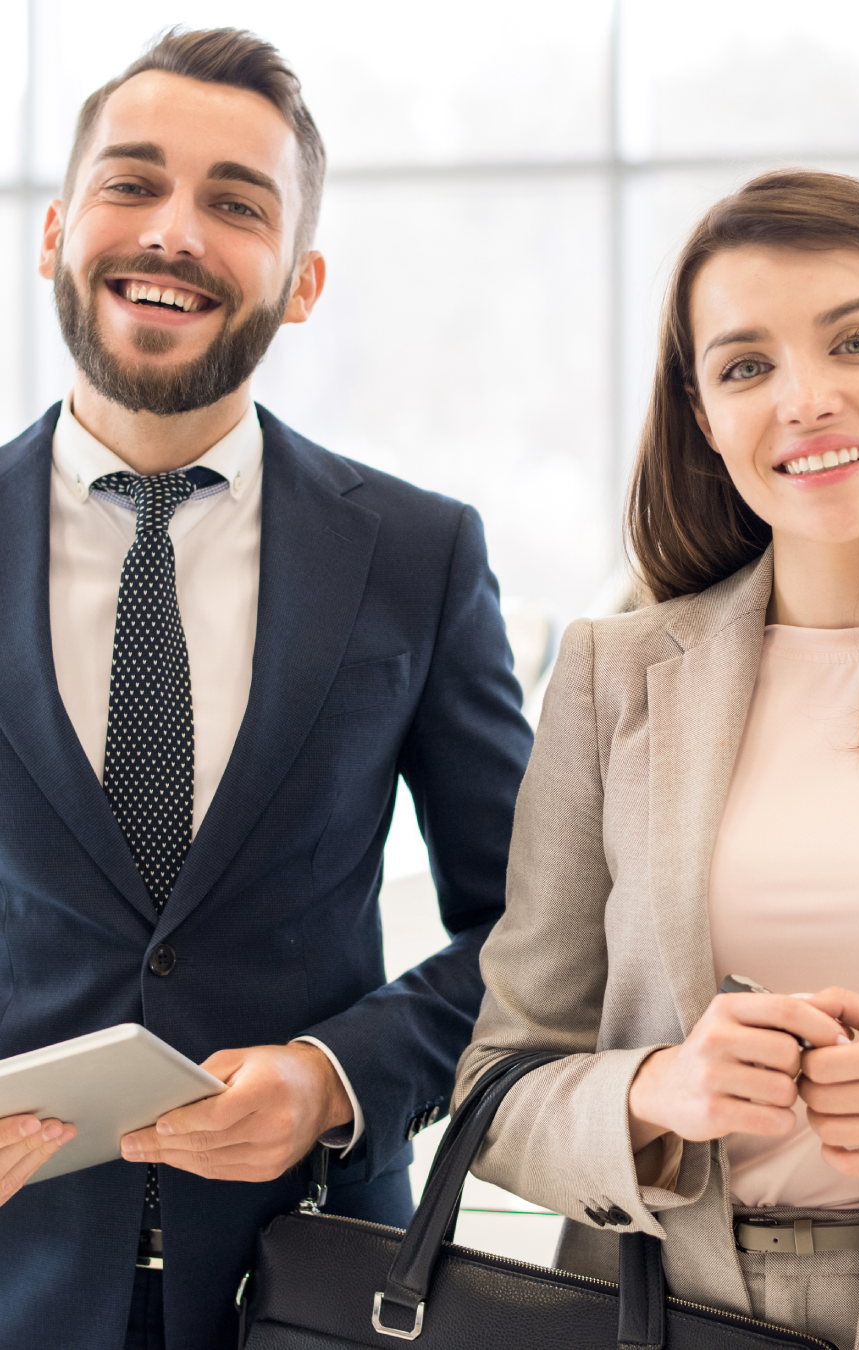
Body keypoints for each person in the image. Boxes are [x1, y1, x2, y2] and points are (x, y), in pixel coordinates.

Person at [456, 169, 859, 1350]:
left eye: (857, 341)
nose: (806, 399)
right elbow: (498, 1089)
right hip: (662, 1312)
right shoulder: (612, 676)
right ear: (702, 414)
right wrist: (652, 1096)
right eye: (746, 366)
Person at [0, 26, 532, 1350]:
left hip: (314, 1287)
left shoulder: (416, 555)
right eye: (133, 184)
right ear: (57, 230)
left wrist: (336, 1078)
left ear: (301, 281)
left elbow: (537, 934)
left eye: (236, 205)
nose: (173, 232)